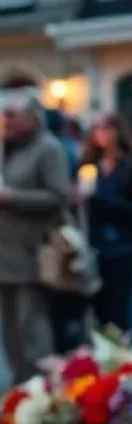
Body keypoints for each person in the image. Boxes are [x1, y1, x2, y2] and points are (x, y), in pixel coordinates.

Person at [0, 91, 71, 384]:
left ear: (32, 119)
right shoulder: (5, 148)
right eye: (4, 115)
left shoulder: (48, 150)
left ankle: (39, 386)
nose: (5, 122)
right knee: (9, 330)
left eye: (12, 115)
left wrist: (12, 197)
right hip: (2, 253)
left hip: (32, 253)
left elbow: (59, 195)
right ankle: (19, 386)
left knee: (30, 327)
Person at [78, 114, 132, 332]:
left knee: (118, 310)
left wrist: (97, 197)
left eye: (106, 128)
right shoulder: (90, 168)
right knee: (98, 310)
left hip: (122, 247)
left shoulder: (126, 168)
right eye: (97, 129)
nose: (101, 134)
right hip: (95, 246)